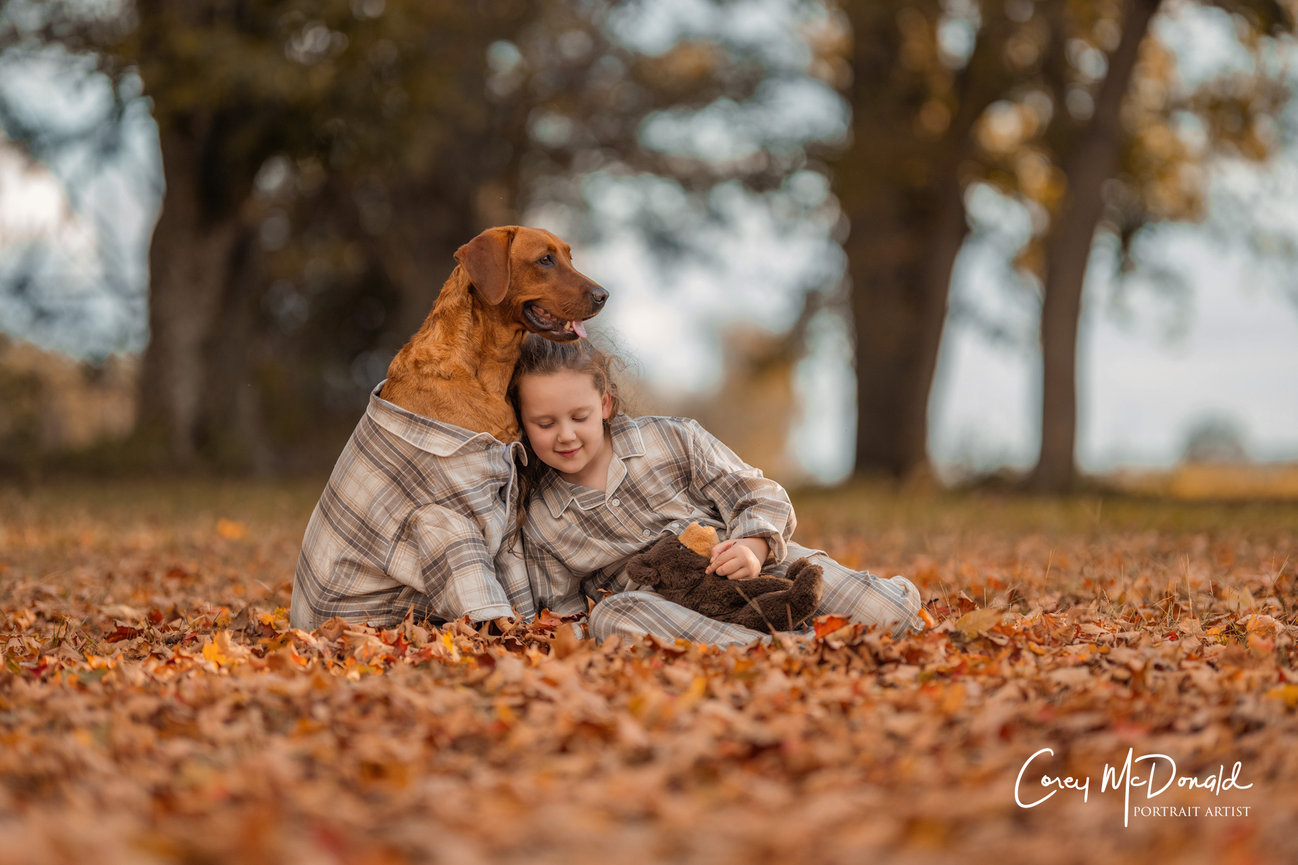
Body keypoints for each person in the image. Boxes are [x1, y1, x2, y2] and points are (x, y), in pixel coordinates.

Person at [507, 334, 923, 645]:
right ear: (523, 423)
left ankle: (867, 607)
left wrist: (753, 547)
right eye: (545, 424)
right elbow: (561, 614)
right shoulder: (542, 518)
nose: (565, 436)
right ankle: (773, 649)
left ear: (604, 405)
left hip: (749, 569)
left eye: (579, 416)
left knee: (892, 618)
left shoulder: (670, 439)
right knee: (613, 616)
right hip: (674, 615)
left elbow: (758, 493)